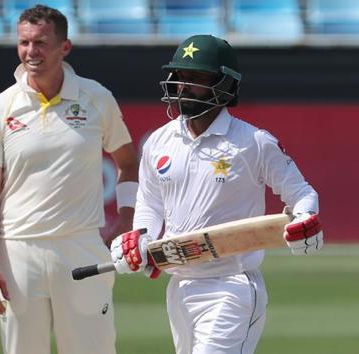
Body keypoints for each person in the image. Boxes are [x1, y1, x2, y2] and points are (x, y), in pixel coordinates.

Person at [109, 34, 324, 354]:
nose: (182, 86)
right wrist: (141, 238)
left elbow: (302, 194)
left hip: (232, 285)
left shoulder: (254, 142)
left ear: (224, 85)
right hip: (179, 284)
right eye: (180, 77)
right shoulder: (158, 142)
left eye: (195, 78)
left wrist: (305, 219)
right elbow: (151, 204)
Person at [0, 5, 138, 354]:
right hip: (17, 251)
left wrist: (126, 217)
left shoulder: (96, 98)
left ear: (65, 47)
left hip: (81, 248)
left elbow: (128, 162)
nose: (31, 52)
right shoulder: (0, 107)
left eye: (41, 42)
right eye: (24, 43)